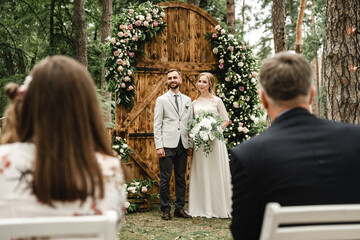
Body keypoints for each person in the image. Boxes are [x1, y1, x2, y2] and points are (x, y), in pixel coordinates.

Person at [230, 52, 360, 240]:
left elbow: (244, 232)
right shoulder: (356, 139)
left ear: (263, 99)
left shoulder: (248, 155)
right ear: (311, 95)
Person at [0, 56, 126, 230]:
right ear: (86, 109)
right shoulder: (109, 169)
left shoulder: (3, 162)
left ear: (28, 105)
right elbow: (115, 228)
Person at [188, 72, 232, 218]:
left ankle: (218, 206)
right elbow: (192, 123)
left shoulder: (217, 101)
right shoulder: (194, 103)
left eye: (204, 82)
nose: (200, 84)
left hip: (215, 141)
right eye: (199, 81)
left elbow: (226, 119)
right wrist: (199, 132)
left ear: (210, 84)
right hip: (200, 143)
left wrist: (214, 130)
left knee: (215, 171)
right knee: (202, 172)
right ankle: (201, 206)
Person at [153, 69, 193, 220]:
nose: (172, 80)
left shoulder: (188, 100)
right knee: (165, 178)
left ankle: (179, 208)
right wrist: (159, 145)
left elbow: (189, 123)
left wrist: (190, 144)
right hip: (167, 144)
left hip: (183, 143)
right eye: (169, 78)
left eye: (175, 77)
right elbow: (157, 124)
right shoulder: (161, 100)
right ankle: (165, 209)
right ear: (167, 81)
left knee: (181, 178)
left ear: (180, 80)